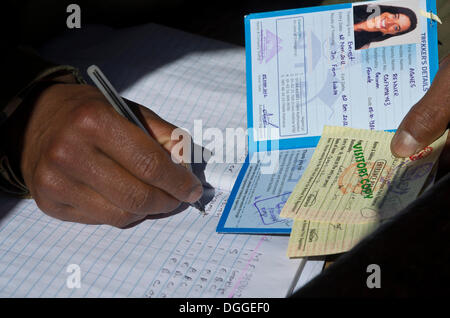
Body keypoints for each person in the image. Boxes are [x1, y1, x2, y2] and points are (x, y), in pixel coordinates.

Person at [353, 4, 418, 50]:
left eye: (396, 27)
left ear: (392, 33)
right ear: (390, 11)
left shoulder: (362, 47)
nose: (389, 22)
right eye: (395, 16)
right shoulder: (356, 5)